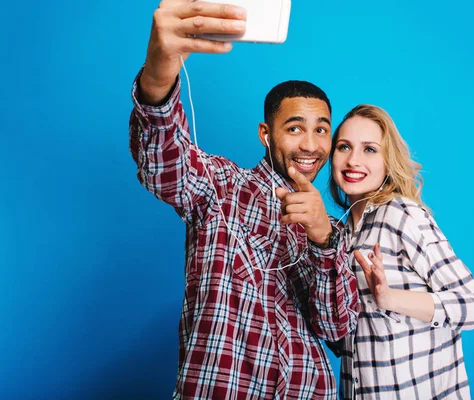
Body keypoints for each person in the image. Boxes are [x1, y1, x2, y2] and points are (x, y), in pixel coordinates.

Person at [128, 1, 358, 399]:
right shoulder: (222, 186)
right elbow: (163, 164)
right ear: (266, 135)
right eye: (294, 128)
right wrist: (158, 74)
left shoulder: (335, 233)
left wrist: (322, 240)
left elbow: (337, 332)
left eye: (322, 130)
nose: (310, 144)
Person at [328, 104, 474, 399]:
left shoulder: (402, 215)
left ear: (388, 162)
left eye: (370, 150)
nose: (353, 160)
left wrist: (390, 299)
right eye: (344, 147)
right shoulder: (339, 236)